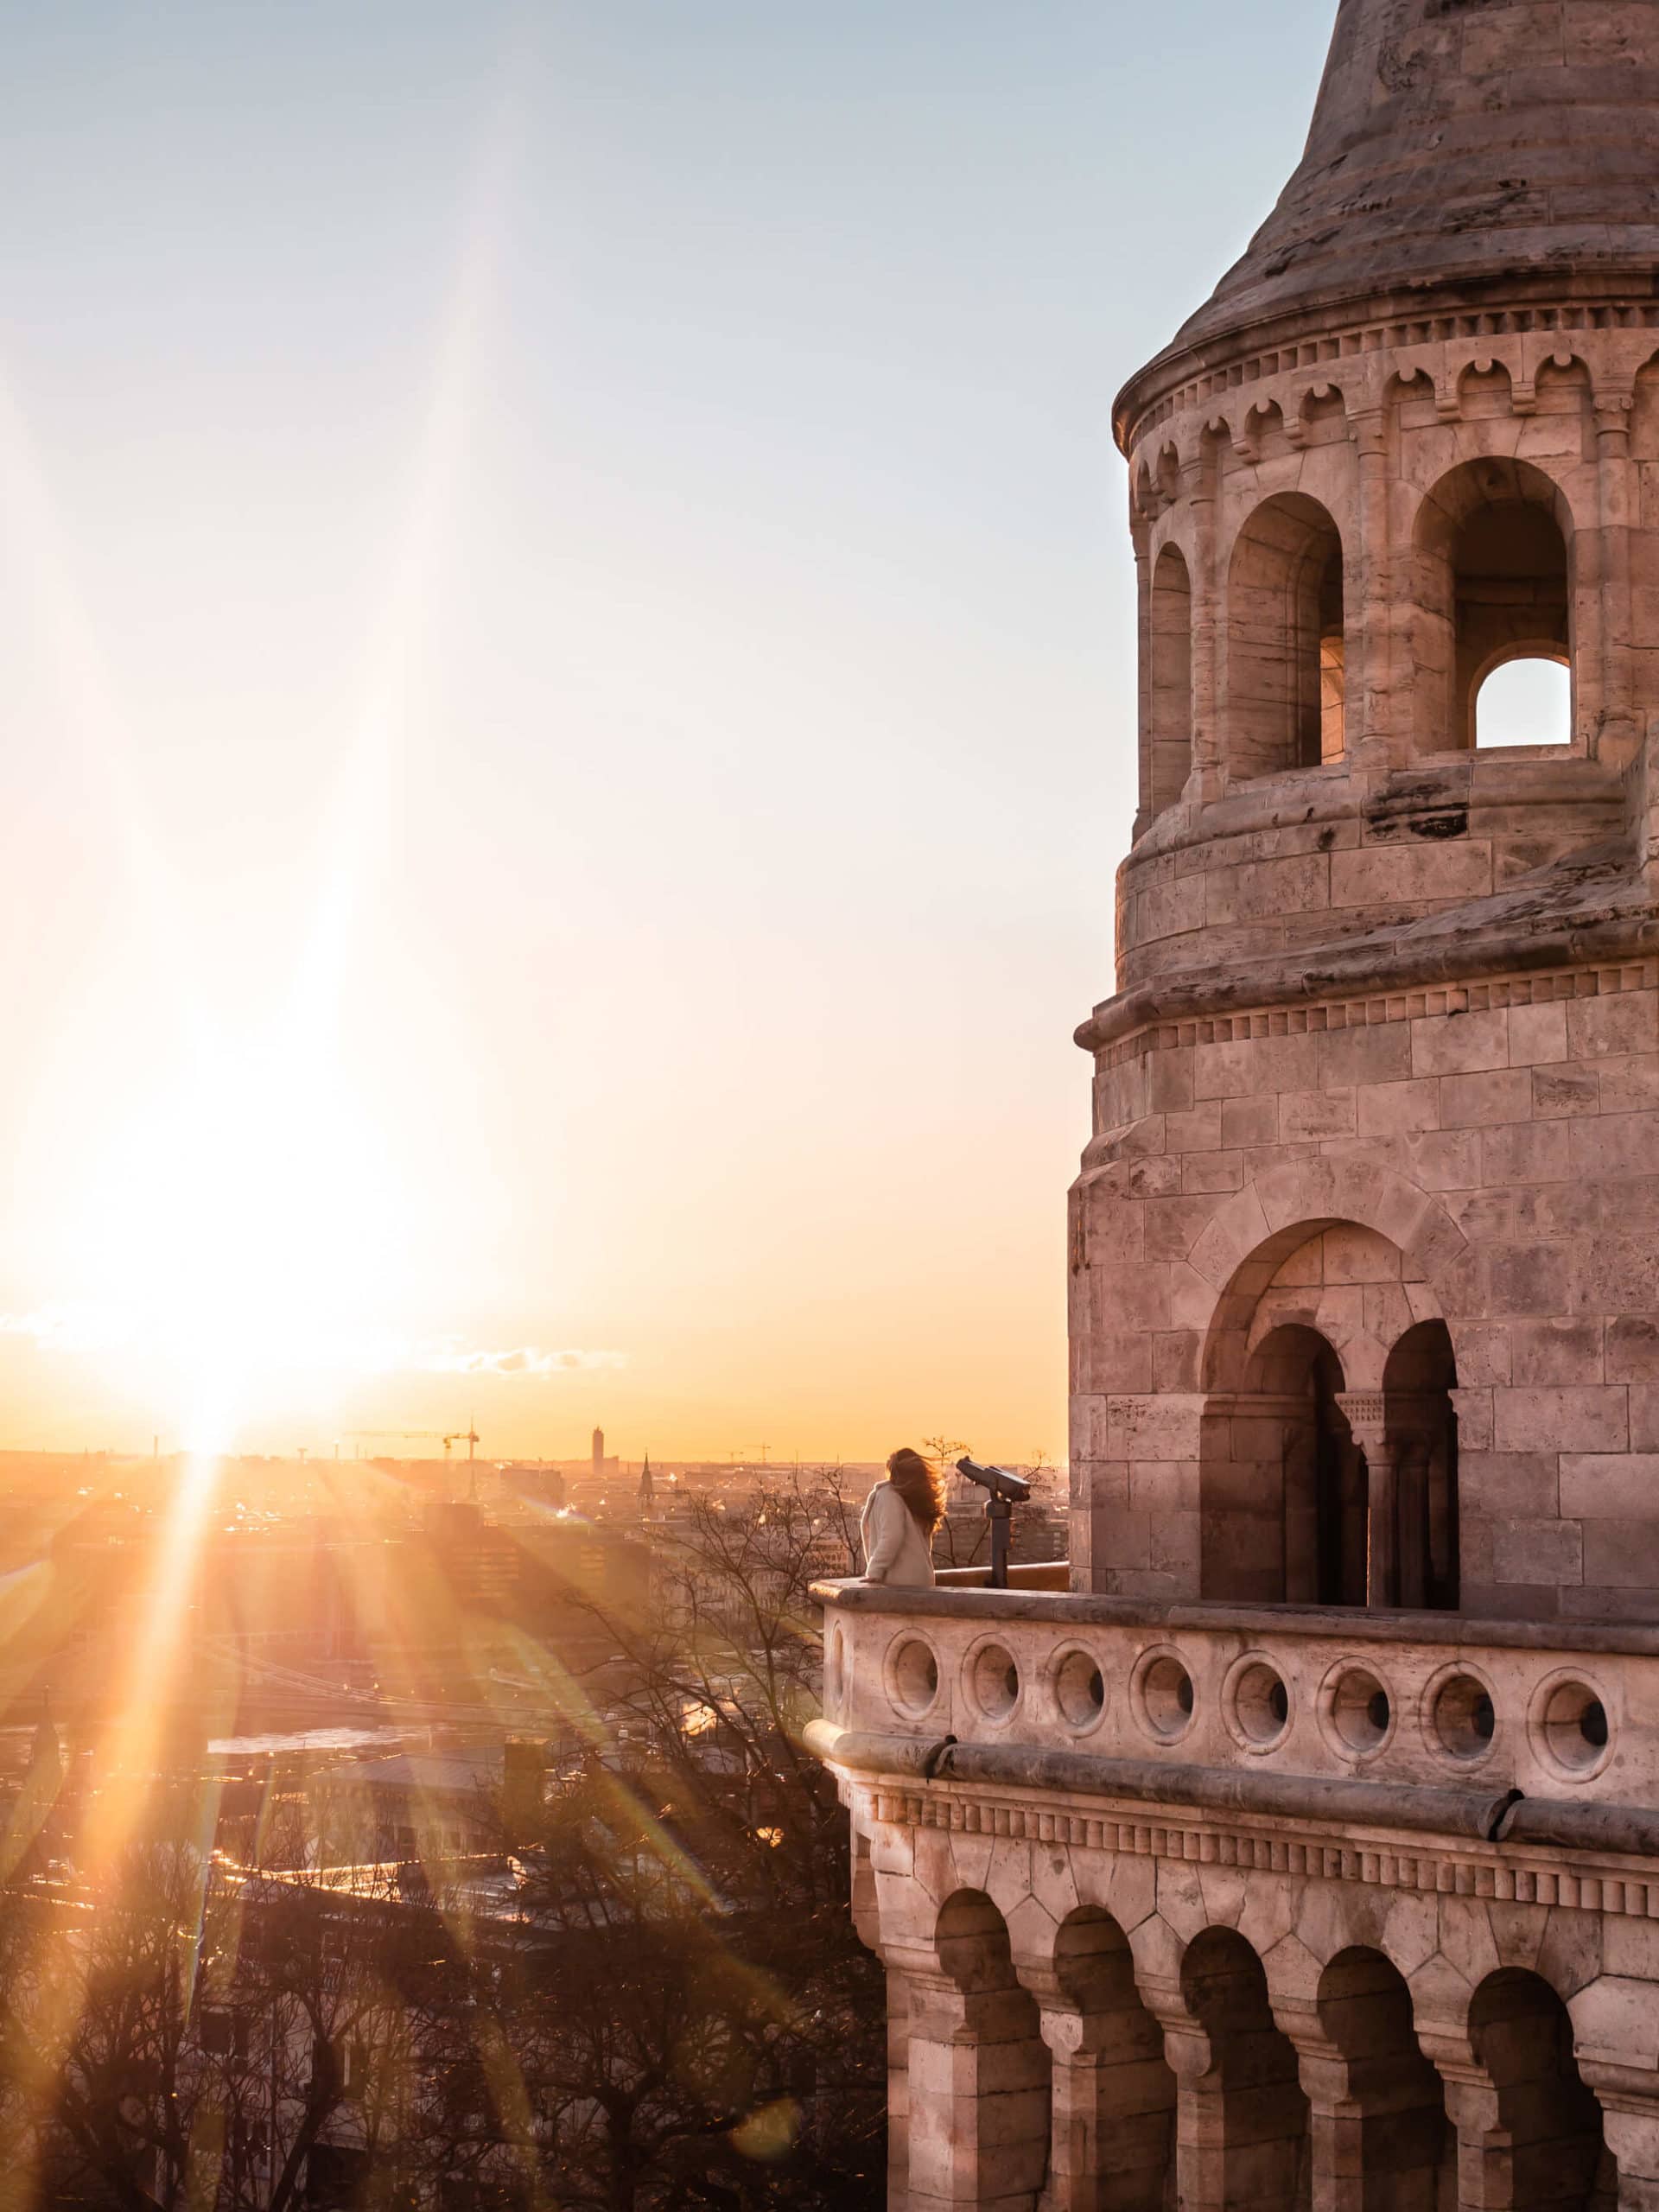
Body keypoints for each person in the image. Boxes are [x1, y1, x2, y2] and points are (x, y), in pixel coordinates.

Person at [861, 1446, 948, 1586]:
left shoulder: (889, 1495)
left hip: (899, 1581)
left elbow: (892, 1536)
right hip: (923, 1580)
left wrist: (874, 1570)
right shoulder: (915, 1499)